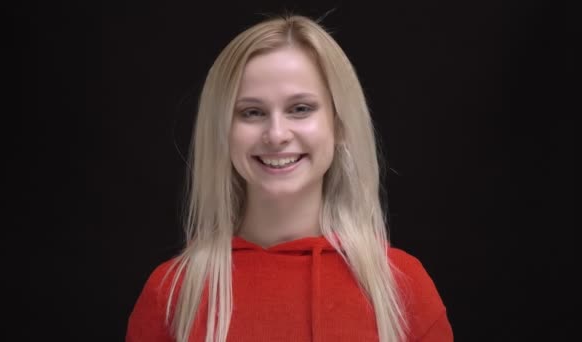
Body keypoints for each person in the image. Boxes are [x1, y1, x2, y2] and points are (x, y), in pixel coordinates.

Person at [126, 14, 453, 342]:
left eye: (300, 109)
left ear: (339, 124)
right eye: (251, 112)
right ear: (223, 131)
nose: (276, 134)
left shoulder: (402, 287)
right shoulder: (171, 295)